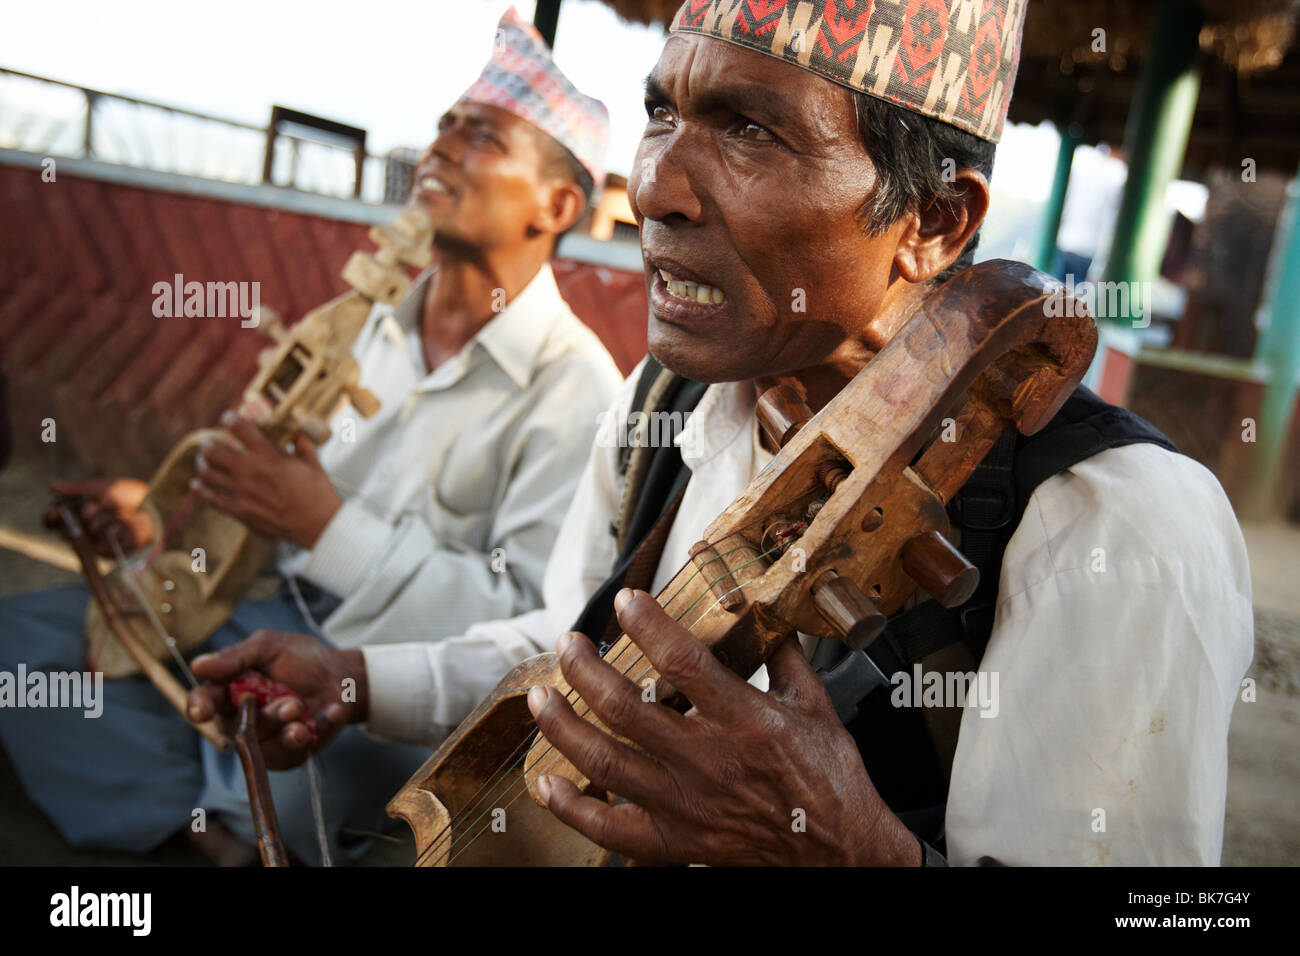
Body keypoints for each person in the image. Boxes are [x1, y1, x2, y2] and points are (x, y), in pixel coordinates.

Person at [188, 0, 1253, 866]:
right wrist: (357, 678)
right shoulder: (664, 405)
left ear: (932, 222)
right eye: (662, 114)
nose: (652, 185)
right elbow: (576, 653)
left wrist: (847, 849)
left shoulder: (1117, 524)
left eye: (749, 129)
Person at [0, 7, 621, 865]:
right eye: (442, 127)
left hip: (369, 664)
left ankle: (206, 810)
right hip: (255, 608)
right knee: (26, 652)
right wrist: (164, 513)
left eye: (481, 136)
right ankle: (216, 831)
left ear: (555, 203)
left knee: (301, 764)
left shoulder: (575, 388)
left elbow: (524, 628)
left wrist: (324, 527)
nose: (441, 148)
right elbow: (270, 490)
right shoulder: (363, 330)